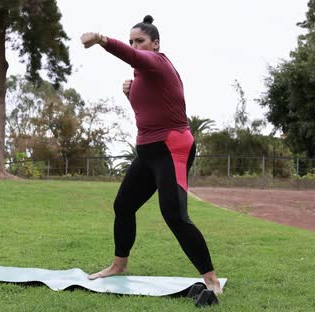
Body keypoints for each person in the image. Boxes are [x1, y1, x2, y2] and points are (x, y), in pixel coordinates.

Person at [80, 15, 222, 295]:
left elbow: (131, 56)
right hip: (147, 152)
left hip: (171, 148)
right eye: (132, 41)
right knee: (123, 205)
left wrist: (101, 39)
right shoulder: (140, 77)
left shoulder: (158, 63)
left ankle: (211, 279)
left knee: (174, 215)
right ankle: (119, 265)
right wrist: (128, 94)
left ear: (155, 44)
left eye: (140, 41)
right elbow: (148, 112)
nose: (135, 45)